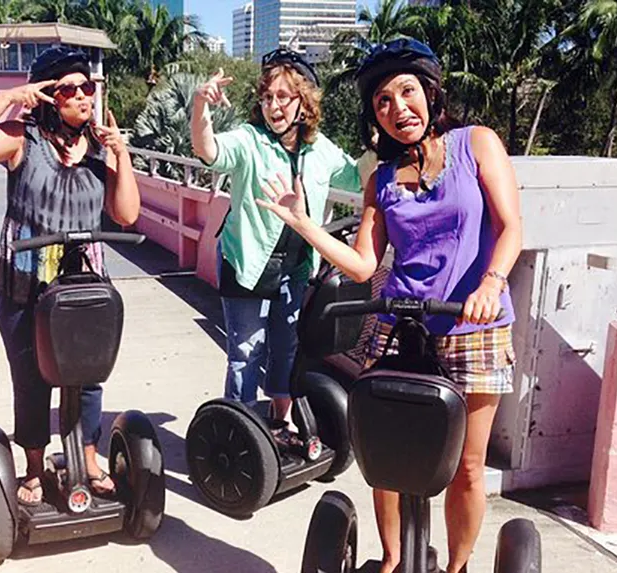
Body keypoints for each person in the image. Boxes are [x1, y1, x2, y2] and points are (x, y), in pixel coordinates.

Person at [256, 38, 522, 573]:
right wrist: (305, 226)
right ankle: (395, 560)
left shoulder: (478, 144)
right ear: (375, 115)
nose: (398, 108)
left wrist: (491, 283)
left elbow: (510, 226)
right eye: (383, 101)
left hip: (474, 323)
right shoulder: (381, 178)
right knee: (388, 461)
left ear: (429, 92)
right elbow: (363, 266)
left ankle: (456, 567)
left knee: (467, 468)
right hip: (398, 324)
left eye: (407, 92)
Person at [0, 47, 140, 506]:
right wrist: (10, 97)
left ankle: (88, 457)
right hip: (22, 283)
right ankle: (34, 468)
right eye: (69, 89)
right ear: (50, 96)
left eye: (87, 87)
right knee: (31, 377)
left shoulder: (99, 147)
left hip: (84, 285)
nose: (82, 97)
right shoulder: (21, 139)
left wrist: (122, 154)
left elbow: (126, 214)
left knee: (89, 376)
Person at [190, 48, 363, 446]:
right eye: (267, 97)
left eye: (282, 97)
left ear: (304, 102)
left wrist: (384, 143)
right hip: (247, 263)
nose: (272, 106)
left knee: (287, 350)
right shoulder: (250, 141)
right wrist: (202, 105)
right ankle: (237, 432)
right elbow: (210, 151)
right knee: (246, 354)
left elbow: (356, 177)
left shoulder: (320, 149)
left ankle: (279, 424)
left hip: (297, 268)